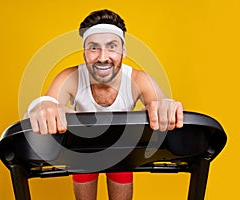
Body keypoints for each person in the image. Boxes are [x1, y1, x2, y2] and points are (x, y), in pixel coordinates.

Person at [26, 9, 184, 200]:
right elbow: (48, 102)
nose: (102, 57)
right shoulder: (70, 77)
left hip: (122, 152)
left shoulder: (138, 79)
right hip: (83, 151)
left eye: (112, 46)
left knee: (121, 161)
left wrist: (164, 106)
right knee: (83, 160)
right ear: (84, 53)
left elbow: (161, 101)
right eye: (93, 48)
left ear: (123, 51)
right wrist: (41, 106)